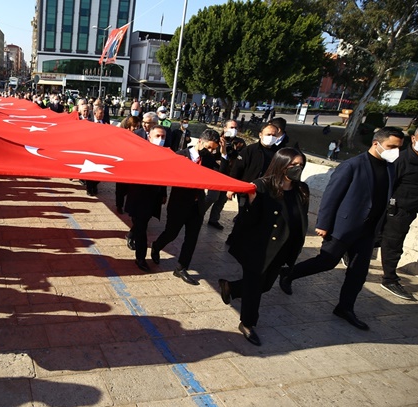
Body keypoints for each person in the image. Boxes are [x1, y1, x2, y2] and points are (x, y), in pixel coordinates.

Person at [280, 127, 405, 331]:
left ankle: (345, 308)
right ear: (376, 143)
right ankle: (289, 273)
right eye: (392, 146)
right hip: (344, 226)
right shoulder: (352, 165)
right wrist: (323, 224)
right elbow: (332, 195)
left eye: (399, 147)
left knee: (358, 272)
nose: (396, 151)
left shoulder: (391, 167)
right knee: (327, 262)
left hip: (368, 230)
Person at [219, 148, 309, 346]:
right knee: (254, 287)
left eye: (300, 165)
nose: (297, 168)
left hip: (283, 247)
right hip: (259, 247)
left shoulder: (302, 189)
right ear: (281, 164)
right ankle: (248, 324)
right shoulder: (262, 186)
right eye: (293, 165)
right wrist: (251, 202)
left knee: (266, 285)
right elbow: (248, 222)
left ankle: (231, 287)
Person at [151, 129, 227, 285]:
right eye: (209, 147)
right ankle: (156, 246)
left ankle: (181, 268)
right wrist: (163, 194)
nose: (212, 151)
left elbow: (222, 174)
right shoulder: (180, 155)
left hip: (197, 204)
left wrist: (224, 153)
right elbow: (165, 175)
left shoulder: (208, 158)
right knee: (171, 234)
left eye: (214, 149)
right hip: (179, 203)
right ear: (200, 141)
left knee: (191, 239)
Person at [378, 124, 418, 301]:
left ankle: (348, 249)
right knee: (393, 244)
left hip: (414, 209)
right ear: (414, 139)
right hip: (398, 209)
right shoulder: (401, 160)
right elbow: (388, 185)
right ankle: (389, 279)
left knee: (382, 239)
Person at [124, 125, 167, 271]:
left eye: (163, 137)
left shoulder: (166, 154)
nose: (160, 140)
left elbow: (167, 176)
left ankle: (131, 234)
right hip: (139, 197)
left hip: (154, 197)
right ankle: (140, 258)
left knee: (142, 223)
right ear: (149, 137)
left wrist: (164, 193)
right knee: (142, 228)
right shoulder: (139, 152)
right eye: (157, 136)